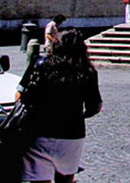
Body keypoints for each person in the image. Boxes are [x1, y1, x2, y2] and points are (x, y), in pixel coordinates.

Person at [20, 30, 102, 183]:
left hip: (40, 132)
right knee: (65, 178)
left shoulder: (40, 64)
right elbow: (95, 106)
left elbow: (20, 94)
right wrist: (79, 115)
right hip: (71, 134)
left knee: (38, 179)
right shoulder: (87, 71)